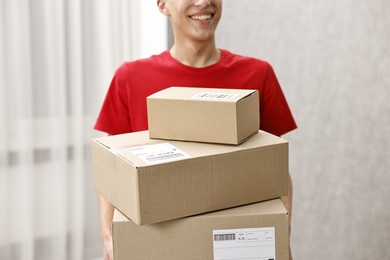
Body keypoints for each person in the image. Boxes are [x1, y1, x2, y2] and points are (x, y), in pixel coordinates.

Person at [94, 0, 297, 259]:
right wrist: (108, 238)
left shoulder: (257, 75)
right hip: (160, 245)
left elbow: (275, 168)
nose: (203, 2)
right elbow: (112, 173)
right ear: (163, 5)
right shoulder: (130, 78)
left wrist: (283, 232)